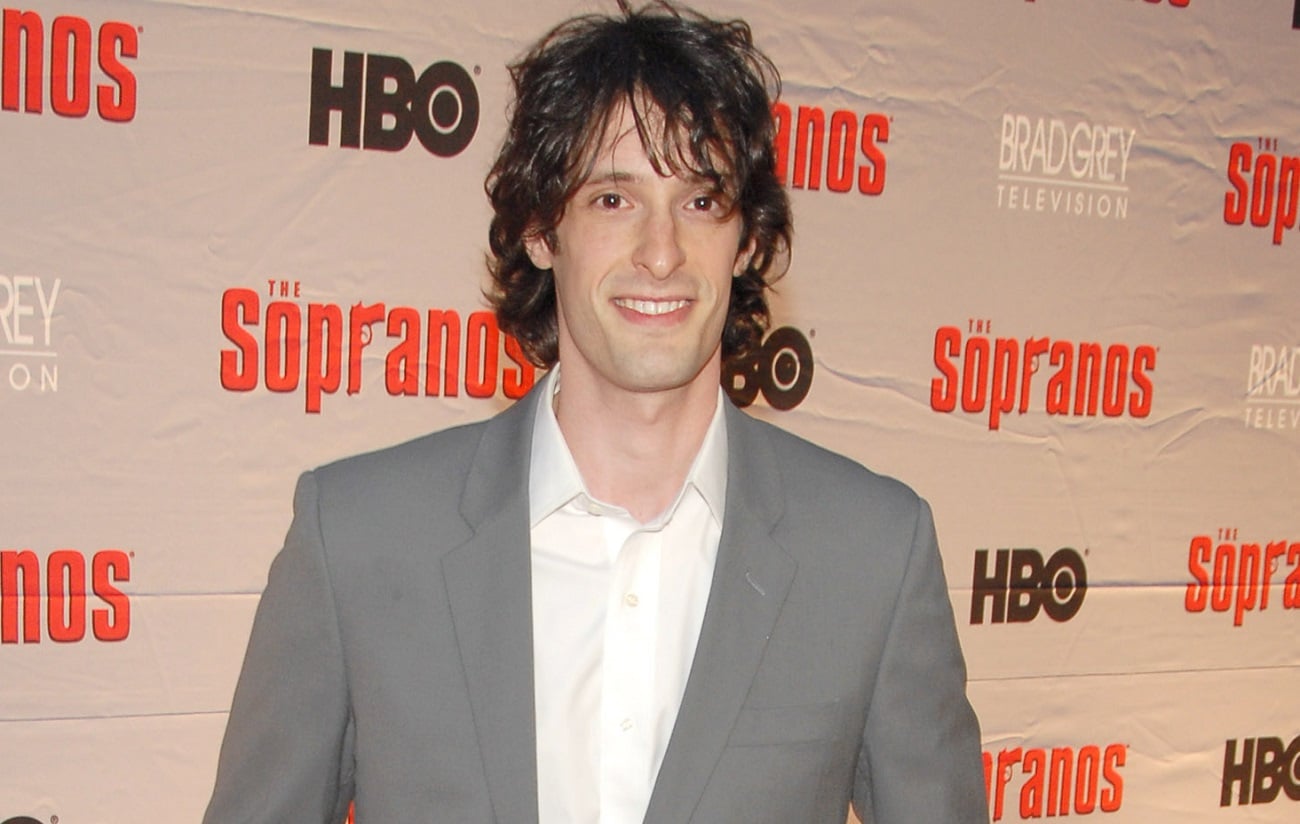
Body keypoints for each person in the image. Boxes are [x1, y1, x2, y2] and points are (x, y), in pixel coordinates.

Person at [203, 2, 988, 822]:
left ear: (748, 240)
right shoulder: (359, 539)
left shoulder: (871, 554)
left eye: (702, 202)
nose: (661, 252)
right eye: (614, 199)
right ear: (542, 230)